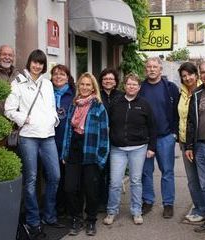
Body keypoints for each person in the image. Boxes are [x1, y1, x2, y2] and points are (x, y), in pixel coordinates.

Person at [5, 49, 62, 239]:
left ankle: (49, 215)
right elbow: (9, 109)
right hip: (28, 136)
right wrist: (25, 119)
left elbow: (52, 107)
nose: (37, 66)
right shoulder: (18, 83)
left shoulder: (47, 84)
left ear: (44, 66)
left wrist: (53, 120)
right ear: (29, 63)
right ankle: (33, 220)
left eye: (41, 63)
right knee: (31, 179)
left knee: (54, 176)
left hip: (48, 136)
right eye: (35, 62)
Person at [103, 73, 156, 225]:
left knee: (135, 181)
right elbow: (108, 124)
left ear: (139, 87)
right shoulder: (115, 102)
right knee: (114, 182)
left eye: (135, 84)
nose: (131, 87)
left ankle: (137, 211)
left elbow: (152, 127)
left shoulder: (144, 104)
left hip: (138, 148)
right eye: (129, 84)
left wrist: (152, 147)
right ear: (124, 86)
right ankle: (112, 211)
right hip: (117, 149)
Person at [62, 72, 109, 236]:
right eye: (82, 84)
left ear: (93, 87)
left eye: (88, 84)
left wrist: (101, 158)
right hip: (74, 151)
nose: (85, 87)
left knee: (91, 190)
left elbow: (104, 135)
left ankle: (91, 220)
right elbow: (68, 131)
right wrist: (64, 153)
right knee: (69, 188)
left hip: (91, 152)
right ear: (78, 86)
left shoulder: (99, 107)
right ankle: (76, 217)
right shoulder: (73, 105)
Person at [139, 57, 179, 218]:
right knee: (146, 172)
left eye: (155, 66)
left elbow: (178, 112)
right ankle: (148, 201)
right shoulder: (140, 88)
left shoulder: (170, 88)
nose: (152, 69)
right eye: (149, 67)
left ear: (160, 69)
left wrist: (174, 133)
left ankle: (168, 204)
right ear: (145, 69)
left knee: (167, 172)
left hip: (165, 137)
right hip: (145, 139)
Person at [185, 61, 205, 235]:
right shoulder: (197, 93)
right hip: (200, 147)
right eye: (203, 72)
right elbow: (191, 122)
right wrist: (189, 145)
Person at [178, 62, 205, 222]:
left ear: (196, 74)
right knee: (192, 179)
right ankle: (199, 208)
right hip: (184, 142)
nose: (187, 78)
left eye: (190, 74)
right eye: (184, 75)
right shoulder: (181, 92)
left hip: (200, 141)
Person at [51, 64, 75, 217]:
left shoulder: (74, 95)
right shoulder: (46, 93)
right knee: (53, 176)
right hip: (50, 142)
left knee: (68, 176)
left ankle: (69, 207)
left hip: (69, 142)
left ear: (67, 77)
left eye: (62, 74)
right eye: (55, 74)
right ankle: (57, 207)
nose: (58, 77)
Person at [97, 68, 123, 211]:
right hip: (100, 140)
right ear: (101, 81)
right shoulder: (97, 95)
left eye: (111, 79)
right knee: (101, 170)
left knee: (113, 173)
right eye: (105, 79)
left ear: (115, 82)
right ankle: (101, 201)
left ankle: (112, 202)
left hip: (116, 139)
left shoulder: (121, 96)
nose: (108, 81)